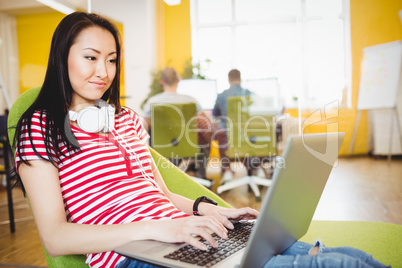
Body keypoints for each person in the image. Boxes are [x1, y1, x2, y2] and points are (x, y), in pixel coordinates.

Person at [12, 11, 388, 268]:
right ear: (62, 57)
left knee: (340, 255)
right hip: (135, 254)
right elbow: (56, 238)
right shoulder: (39, 126)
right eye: (91, 57)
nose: (104, 71)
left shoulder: (124, 119)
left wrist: (209, 209)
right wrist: (156, 228)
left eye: (111, 60)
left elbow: (159, 194)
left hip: (186, 234)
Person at [142, 67, 228, 162]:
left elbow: (143, 130)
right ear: (178, 80)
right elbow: (207, 128)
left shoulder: (151, 102)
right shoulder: (191, 101)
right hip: (187, 151)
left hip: (160, 153)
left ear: (162, 82)